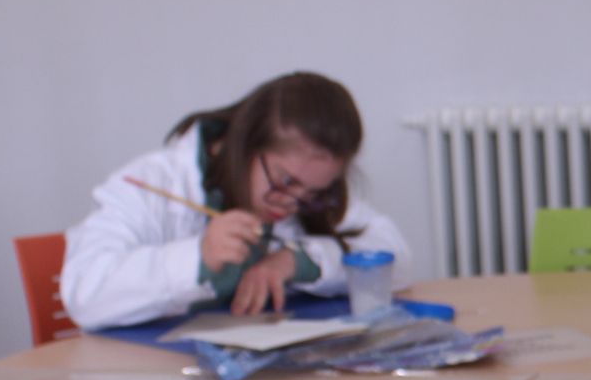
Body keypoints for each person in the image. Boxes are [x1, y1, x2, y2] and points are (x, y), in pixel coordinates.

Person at [61, 71, 411, 330]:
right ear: (244, 144)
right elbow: (84, 295)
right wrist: (197, 258)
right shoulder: (151, 184)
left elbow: (397, 258)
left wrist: (298, 260)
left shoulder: (309, 196)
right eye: (284, 180)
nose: (291, 203)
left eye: (313, 193)